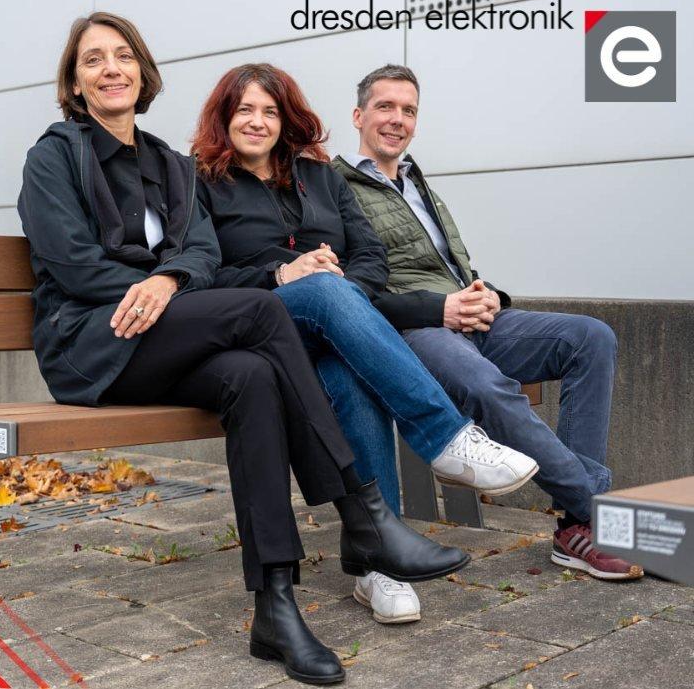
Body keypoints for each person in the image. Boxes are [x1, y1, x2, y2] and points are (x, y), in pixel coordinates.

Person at [17, 14, 471, 684]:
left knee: (253, 376)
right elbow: (73, 264)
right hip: (94, 344)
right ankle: (362, 512)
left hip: (167, 337)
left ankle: (275, 606)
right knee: (262, 308)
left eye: (123, 56)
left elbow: (201, 252)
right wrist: (162, 285)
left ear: (143, 72)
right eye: (93, 60)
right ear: (75, 83)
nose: (111, 69)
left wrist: (172, 279)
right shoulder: (54, 157)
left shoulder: (171, 166)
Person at [192, 63, 539, 625]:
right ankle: (446, 437)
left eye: (271, 111)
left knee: (351, 376)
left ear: (287, 119)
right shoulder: (200, 183)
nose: (258, 122)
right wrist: (281, 274)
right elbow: (201, 271)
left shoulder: (321, 177)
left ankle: (380, 564)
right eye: (245, 110)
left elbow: (371, 255)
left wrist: (344, 292)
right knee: (323, 293)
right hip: (258, 324)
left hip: (331, 327)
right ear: (224, 116)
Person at [331, 64, 642, 581]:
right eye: (385, 107)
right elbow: (350, 296)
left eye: (409, 110)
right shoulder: (334, 186)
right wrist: (440, 309)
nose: (398, 119)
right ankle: (595, 514)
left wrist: (490, 295)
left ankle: (575, 526)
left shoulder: (417, 182)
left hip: (471, 317)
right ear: (358, 115)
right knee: (483, 383)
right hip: (413, 329)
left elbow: (456, 266)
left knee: (591, 337)